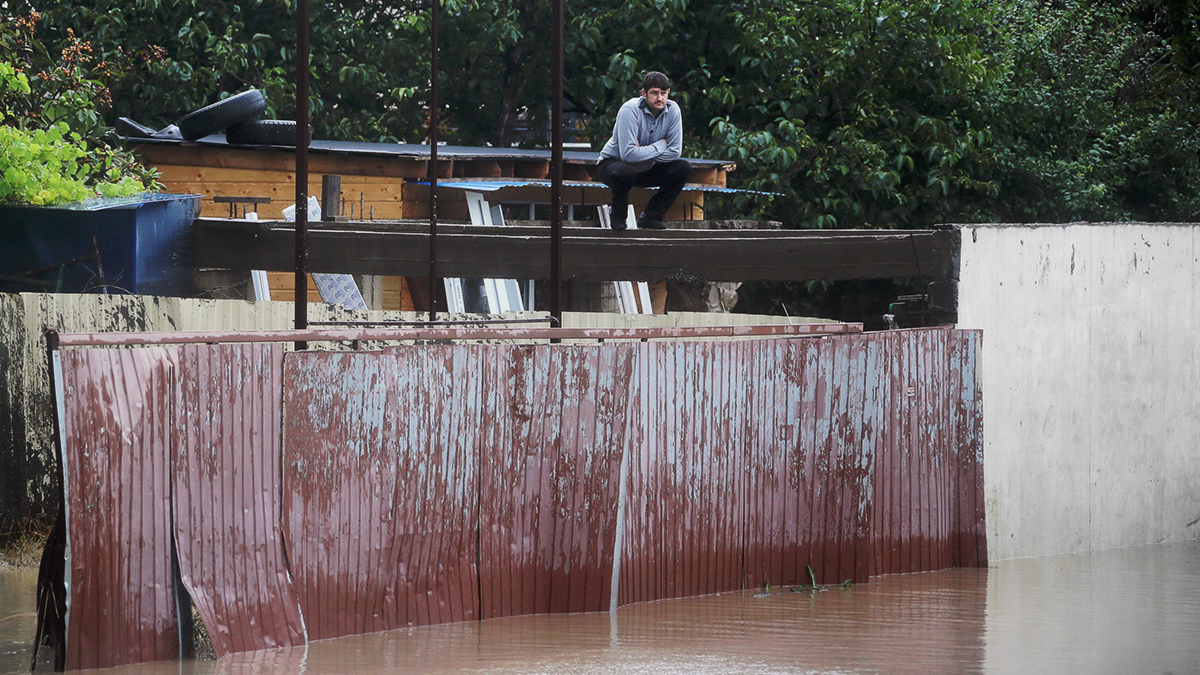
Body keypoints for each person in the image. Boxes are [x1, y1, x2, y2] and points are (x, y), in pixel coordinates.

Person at [596, 71, 692, 231]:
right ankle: (618, 217)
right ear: (644, 94)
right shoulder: (630, 109)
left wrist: (641, 152)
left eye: (664, 93)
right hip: (613, 165)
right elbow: (628, 154)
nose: (660, 98)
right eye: (654, 93)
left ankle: (651, 216)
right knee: (624, 171)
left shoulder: (673, 110)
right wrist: (661, 145)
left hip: (647, 167)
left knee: (683, 168)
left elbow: (675, 152)